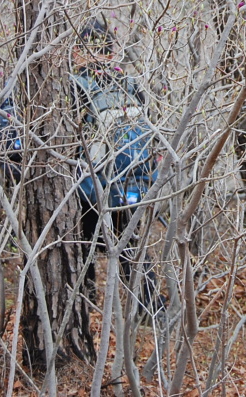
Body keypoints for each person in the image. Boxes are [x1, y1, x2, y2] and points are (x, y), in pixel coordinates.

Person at [68, 19, 162, 317]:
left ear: (79, 51)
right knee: (131, 248)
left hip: (91, 186)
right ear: (110, 52)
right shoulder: (130, 83)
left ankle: (85, 305)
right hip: (133, 182)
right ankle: (150, 311)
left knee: (82, 243)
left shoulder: (75, 86)